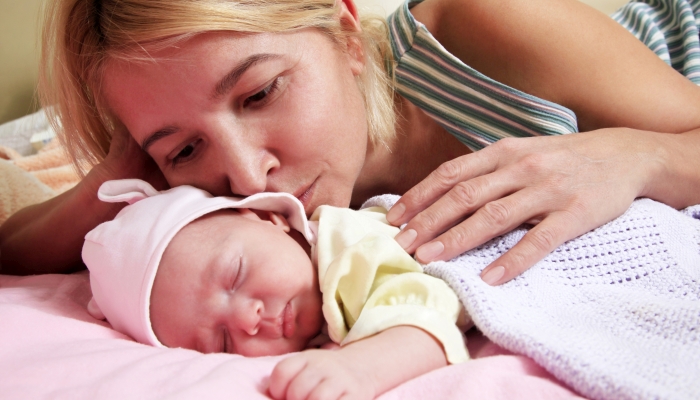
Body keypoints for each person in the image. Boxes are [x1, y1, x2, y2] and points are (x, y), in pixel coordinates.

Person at [2, 0, 700, 285]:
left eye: (259, 93)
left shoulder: (484, 25)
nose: (247, 177)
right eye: (182, 147)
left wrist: (636, 155)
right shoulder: (199, 183)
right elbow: (12, 247)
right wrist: (126, 171)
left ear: (343, 32)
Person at [83, 179, 469, 400]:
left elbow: (426, 315)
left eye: (235, 275)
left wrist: (359, 367)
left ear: (270, 218)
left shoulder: (351, 250)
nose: (245, 319)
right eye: (221, 342)